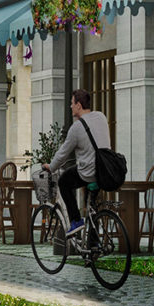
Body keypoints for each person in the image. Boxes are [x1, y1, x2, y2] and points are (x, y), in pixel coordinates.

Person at [41, 89, 110, 237]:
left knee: (64, 181)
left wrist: (51, 166)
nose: (70, 107)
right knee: (91, 206)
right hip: (104, 171)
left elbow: (62, 154)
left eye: (72, 103)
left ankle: (76, 221)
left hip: (89, 172)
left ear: (78, 105)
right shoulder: (101, 117)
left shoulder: (76, 128)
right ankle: (93, 244)